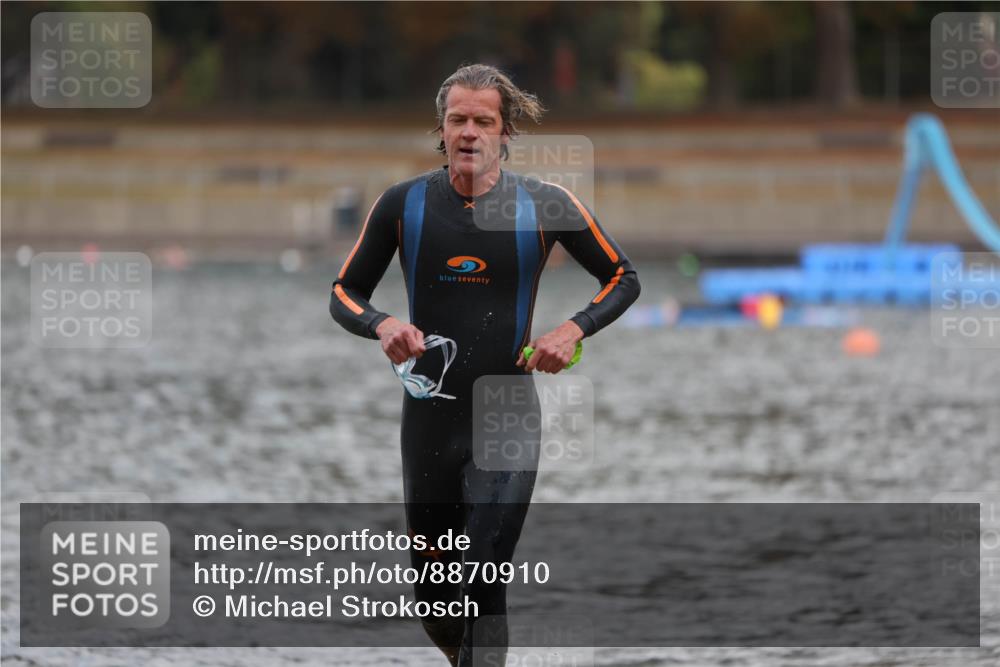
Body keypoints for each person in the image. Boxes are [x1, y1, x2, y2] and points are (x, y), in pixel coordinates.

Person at [329, 63, 639, 666]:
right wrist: (382, 324)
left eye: (484, 121)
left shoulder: (545, 204)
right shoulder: (403, 205)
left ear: (505, 133)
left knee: (482, 568)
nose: (469, 132)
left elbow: (623, 278)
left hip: (507, 415)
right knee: (436, 597)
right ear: (441, 130)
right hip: (428, 422)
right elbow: (343, 292)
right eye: (458, 120)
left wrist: (572, 331)